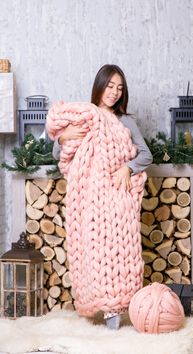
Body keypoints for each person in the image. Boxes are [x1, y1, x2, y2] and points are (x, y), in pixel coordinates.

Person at [50, 64, 153, 329]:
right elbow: (57, 154)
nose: (114, 93)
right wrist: (62, 139)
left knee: (118, 252)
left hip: (117, 201)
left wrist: (126, 168)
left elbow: (145, 155)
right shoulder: (85, 117)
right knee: (91, 252)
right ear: (100, 85)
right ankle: (92, 302)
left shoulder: (126, 121)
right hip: (89, 202)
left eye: (119, 88)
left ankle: (114, 309)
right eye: (110, 86)